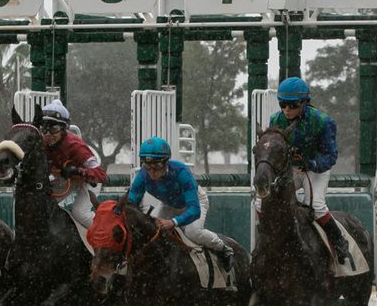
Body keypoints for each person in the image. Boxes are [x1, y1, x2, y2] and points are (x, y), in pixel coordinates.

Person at [265, 76, 353, 269]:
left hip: (316, 169)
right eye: (282, 104)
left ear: (304, 102)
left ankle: (339, 242)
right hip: (290, 169)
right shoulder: (275, 120)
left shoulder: (323, 122)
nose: (287, 110)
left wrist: (311, 163)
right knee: (261, 202)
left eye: (292, 105)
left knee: (315, 205)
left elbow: (331, 156)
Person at [128, 135, 235, 283]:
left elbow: (194, 210)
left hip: (195, 202)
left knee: (192, 232)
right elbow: (131, 203)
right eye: (147, 167)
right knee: (152, 231)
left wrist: (173, 222)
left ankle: (223, 248)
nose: (151, 173)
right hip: (168, 204)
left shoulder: (181, 172)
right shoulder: (142, 175)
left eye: (156, 167)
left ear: (165, 163)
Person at [39, 99, 105, 230]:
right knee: (43, 205)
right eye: (44, 128)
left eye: (54, 128)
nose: (48, 134)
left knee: (80, 213)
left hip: (89, 178)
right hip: (67, 177)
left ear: (64, 129)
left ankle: (106, 236)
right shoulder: (42, 142)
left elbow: (101, 175)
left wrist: (78, 171)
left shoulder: (75, 146)